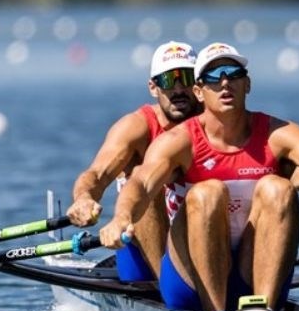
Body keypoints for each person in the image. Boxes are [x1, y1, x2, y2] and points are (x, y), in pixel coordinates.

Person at [99, 42, 299, 311]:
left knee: (278, 188)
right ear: (200, 92)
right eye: (215, 77)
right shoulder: (179, 141)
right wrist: (121, 217)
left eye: (234, 73)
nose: (225, 82)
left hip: (250, 271)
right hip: (189, 282)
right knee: (208, 193)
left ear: (248, 84)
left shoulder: (278, 133)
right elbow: (139, 184)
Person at [66, 41, 202, 282]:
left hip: (201, 241)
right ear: (153, 87)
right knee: (144, 184)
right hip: (142, 257)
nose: (179, 89)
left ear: (199, 84)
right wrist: (84, 198)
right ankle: (170, 288)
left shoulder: (218, 123)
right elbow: (97, 175)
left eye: (187, 78)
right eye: (169, 80)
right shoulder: (136, 127)